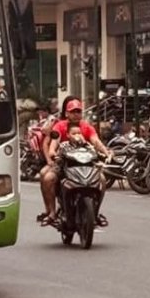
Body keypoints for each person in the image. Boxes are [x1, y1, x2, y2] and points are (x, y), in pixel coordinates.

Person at [39, 97, 113, 228]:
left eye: (78, 111)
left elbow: (96, 142)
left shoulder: (87, 127)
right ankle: (51, 212)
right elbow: (53, 144)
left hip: (86, 165)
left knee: (101, 180)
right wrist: (52, 155)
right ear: (66, 113)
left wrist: (106, 153)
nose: (76, 114)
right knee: (48, 178)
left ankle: (95, 213)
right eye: (73, 112)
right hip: (65, 165)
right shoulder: (59, 126)